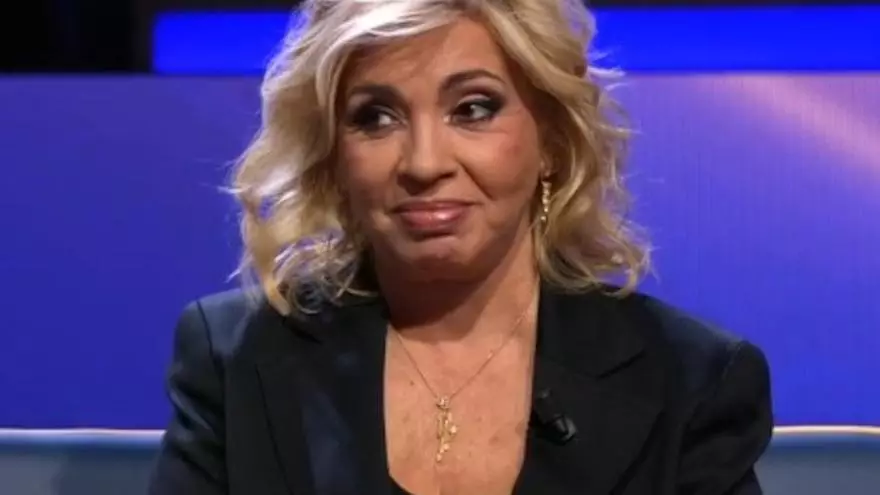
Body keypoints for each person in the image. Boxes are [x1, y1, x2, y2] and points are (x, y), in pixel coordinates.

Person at [148, 0, 773, 493]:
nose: (424, 163)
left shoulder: (692, 382)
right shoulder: (235, 360)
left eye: (473, 109)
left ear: (551, 141)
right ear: (334, 158)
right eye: (376, 117)